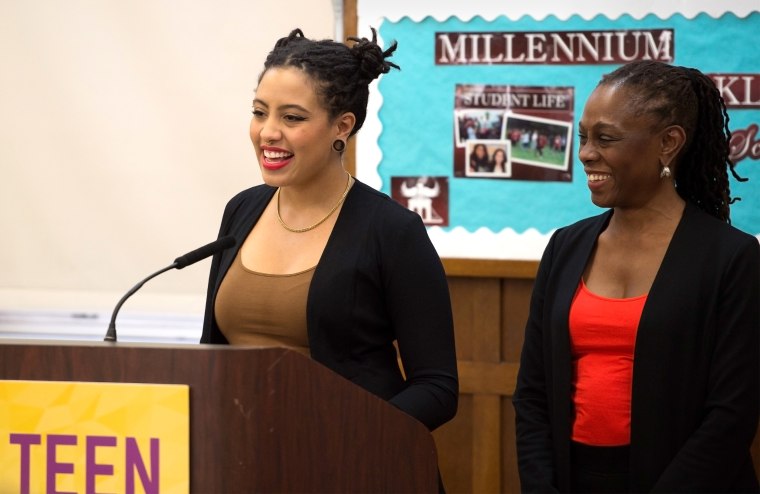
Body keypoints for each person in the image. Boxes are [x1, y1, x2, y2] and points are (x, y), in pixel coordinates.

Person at [199, 26, 458, 461]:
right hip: (244, 462)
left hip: (350, 467)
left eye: (292, 118)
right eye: (260, 112)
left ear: (342, 125)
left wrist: (347, 437)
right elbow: (214, 357)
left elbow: (437, 389)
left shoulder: (391, 231)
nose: (268, 132)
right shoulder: (241, 211)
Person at [513, 60, 759, 493]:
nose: (587, 153)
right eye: (583, 137)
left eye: (606, 138)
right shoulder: (565, 247)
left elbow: (732, 414)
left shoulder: (731, 257)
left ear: (669, 142)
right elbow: (533, 394)